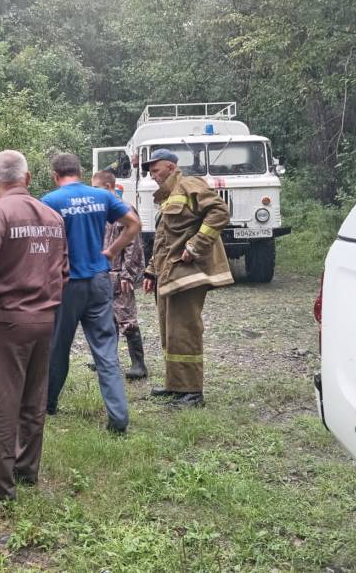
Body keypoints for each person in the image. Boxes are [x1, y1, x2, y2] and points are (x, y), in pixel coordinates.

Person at [0, 150, 68, 502]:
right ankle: (26, 469)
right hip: (45, 320)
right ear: (27, 178)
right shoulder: (53, 216)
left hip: (7, 322)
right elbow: (62, 270)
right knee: (33, 400)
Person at [41, 153, 141, 434]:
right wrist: (111, 251)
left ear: (55, 175)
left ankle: (48, 404)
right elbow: (134, 224)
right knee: (106, 352)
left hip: (67, 283)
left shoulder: (49, 201)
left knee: (58, 347)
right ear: (80, 171)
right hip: (99, 281)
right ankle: (119, 418)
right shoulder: (101, 197)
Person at [141, 149, 233, 407]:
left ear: (170, 167)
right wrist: (151, 270)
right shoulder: (168, 197)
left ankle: (193, 393)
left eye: (156, 170)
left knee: (185, 331)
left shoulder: (189, 184)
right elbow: (163, 240)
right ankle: (177, 386)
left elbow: (219, 212)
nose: (152, 176)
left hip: (188, 273)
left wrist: (196, 246)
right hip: (169, 274)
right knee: (170, 333)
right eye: (150, 172)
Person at [91, 170, 147, 380]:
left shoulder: (123, 209)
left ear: (107, 187)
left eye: (96, 188)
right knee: (106, 319)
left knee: (127, 319)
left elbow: (134, 246)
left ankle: (139, 365)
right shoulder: (101, 209)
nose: (93, 192)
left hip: (119, 274)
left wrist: (127, 275)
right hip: (103, 272)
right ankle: (107, 359)